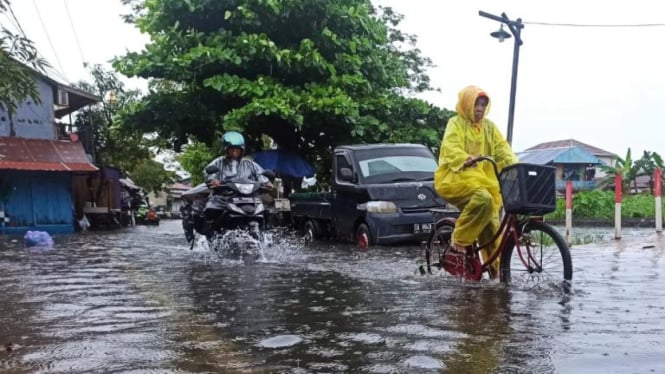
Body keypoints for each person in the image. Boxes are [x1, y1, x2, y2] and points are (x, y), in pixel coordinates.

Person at [434, 85, 518, 278]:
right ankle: (459, 239)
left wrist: (515, 165)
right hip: (454, 178)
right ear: (467, 104)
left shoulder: (489, 128)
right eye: (476, 104)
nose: (480, 109)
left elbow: (502, 149)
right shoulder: (455, 123)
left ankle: (497, 274)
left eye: (483, 105)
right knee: (483, 199)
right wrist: (465, 158)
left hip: (482, 181)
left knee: (492, 226)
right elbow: (450, 147)